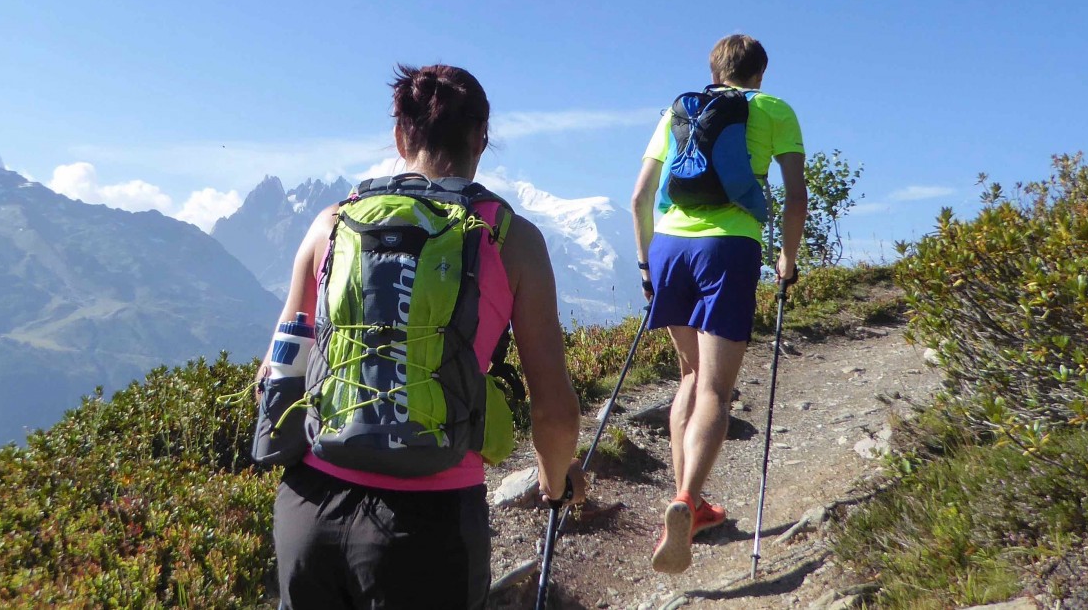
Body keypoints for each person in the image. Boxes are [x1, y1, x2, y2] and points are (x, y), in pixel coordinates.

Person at [265, 64, 586, 609]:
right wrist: (556, 481)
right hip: (428, 522)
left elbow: (275, 373)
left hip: (309, 510)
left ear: (399, 136)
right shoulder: (510, 238)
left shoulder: (332, 223)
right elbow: (554, 411)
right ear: (482, 138)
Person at [630, 34, 807, 574]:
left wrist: (645, 265)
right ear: (760, 73)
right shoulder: (774, 109)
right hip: (727, 248)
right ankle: (686, 501)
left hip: (667, 247)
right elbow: (796, 194)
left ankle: (692, 504)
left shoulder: (679, 109)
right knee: (715, 387)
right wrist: (788, 259)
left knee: (687, 375)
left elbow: (639, 196)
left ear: (713, 68)